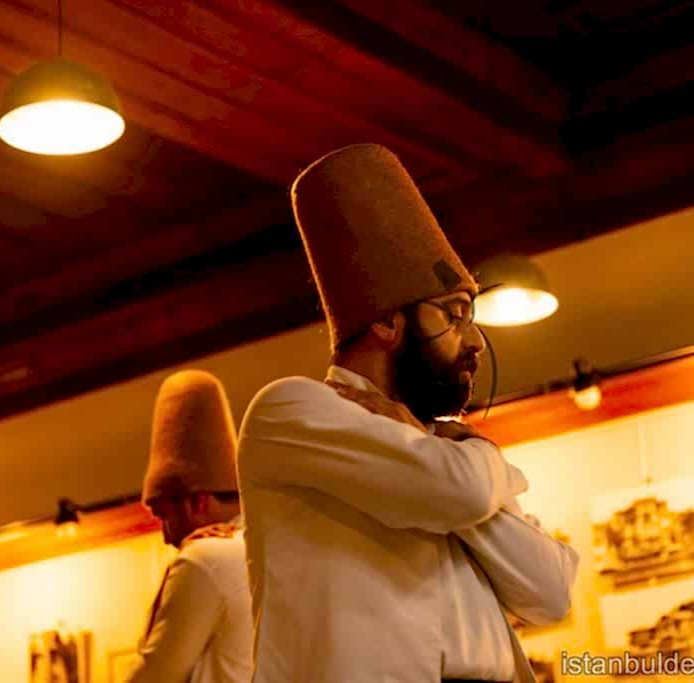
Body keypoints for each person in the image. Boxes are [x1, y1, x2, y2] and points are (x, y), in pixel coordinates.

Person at [237, 143, 579, 683]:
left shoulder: (446, 452)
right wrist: (478, 452)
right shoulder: (291, 411)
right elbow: (459, 493)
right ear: (385, 321)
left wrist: (452, 458)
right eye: (454, 314)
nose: (475, 342)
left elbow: (552, 593)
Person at [127, 370, 252, 683]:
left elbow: (151, 679)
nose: (166, 536)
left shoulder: (205, 558)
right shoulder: (274, 541)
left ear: (197, 501)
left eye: (164, 516)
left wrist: (175, 571)